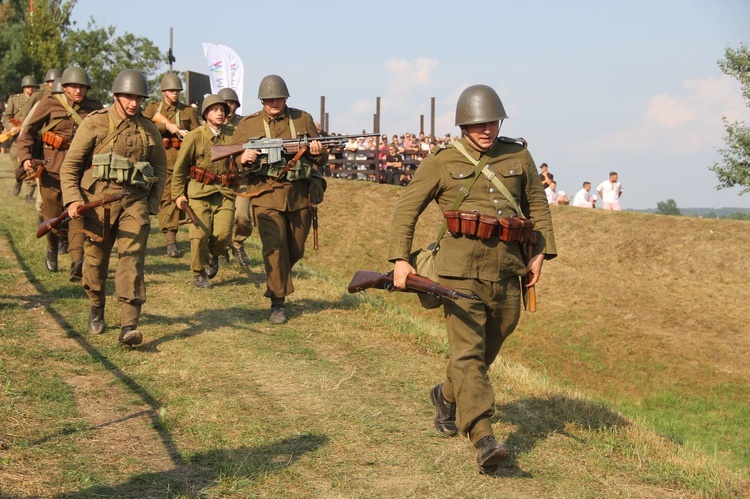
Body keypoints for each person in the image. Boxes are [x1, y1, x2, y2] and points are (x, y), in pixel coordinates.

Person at [388, 84, 556, 474]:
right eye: (479, 123)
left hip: (507, 270)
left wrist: (540, 254)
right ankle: (484, 437)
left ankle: (446, 396)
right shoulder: (441, 161)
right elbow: (406, 209)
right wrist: (400, 259)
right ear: (464, 124)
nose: (487, 129)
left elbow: (538, 207)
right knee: (467, 354)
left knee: (490, 345)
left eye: (492, 122)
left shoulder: (518, 154)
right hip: (457, 270)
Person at [60, 69, 167, 347]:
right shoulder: (95, 123)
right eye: (129, 97)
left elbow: (160, 167)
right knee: (94, 263)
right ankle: (96, 305)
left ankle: (129, 325)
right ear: (116, 96)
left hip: (134, 203)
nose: (134, 103)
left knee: (131, 261)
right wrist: (73, 198)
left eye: (139, 98)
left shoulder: (148, 128)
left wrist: (152, 204)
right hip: (97, 203)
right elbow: (70, 165)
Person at [231, 74, 327, 324]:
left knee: (295, 249)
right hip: (265, 194)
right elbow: (231, 162)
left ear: (286, 98)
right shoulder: (248, 125)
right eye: (269, 99)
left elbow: (320, 159)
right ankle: (278, 303)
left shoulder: (302, 119)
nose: (275, 102)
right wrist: (242, 159)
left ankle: (278, 280)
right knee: (273, 248)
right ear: (262, 100)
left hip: (298, 195)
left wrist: (318, 152)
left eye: (279, 98)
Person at [17, 66, 103, 278]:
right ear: (64, 87)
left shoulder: (94, 107)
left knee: (76, 213)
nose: (78, 91)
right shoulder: (50, 103)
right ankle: (52, 247)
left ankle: (77, 261)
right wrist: (26, 157)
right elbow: (28, 131)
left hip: (80, 172)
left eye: (82, 87)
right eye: (73, 86)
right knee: (52, 217)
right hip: (52, 170)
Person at [172, 95, 237, 289]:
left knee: (224, 234)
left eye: (222, 110)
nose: (220, 113)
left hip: (225, 192)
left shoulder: (233, 134)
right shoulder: (195, 136)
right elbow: (180, 168)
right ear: (206, 113)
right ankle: (198, 273)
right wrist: (178, 194)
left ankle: (213, 255)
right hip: (199, 192)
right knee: (200, 235)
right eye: (215, 109)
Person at [142, 73, 200, 258]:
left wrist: (185, 133)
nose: (175, 94)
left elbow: (199, 134)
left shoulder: (188, 111)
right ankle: (170, 240)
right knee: (166, 199)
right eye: (171, 90)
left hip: (183, 162)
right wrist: (166, 127)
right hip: (161, 160)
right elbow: (143, 127)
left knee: (183, 199)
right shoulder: (152, 109)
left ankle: (183, 239)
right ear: (164, 91)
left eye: (177, 90)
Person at [218, 87, 252, 266]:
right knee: (221, 218)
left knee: (242, 217)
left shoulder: (245, 124)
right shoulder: (212, 123)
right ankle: (222, 249)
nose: (228, 107)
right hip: (220, 178)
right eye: (224, 103)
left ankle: (238, 244)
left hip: (241, 176)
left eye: (231, 103)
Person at [2, 74, 39, 201]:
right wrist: (11, 126)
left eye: (33, 87)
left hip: (31, 136)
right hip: (16, 137)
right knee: (17, 166)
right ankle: (18, 179)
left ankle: (29, 193)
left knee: (31, 165)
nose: (30, 89)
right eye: (28, 87)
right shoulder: (14, 100)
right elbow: (6, 117)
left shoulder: (39, 99)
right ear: (24, 88)